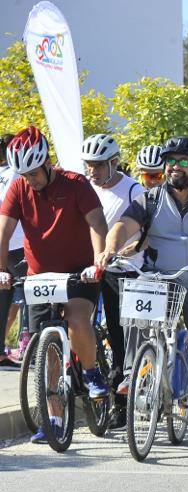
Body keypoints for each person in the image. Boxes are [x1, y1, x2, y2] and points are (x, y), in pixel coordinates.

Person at [101, 135, 188, 450]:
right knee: (136, 304)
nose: (175, 167)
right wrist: (110, 249)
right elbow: (124, 225)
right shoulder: (150, 199)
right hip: (160, 278)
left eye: (184, 161)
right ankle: (134, 373)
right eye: (170, 161)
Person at [0, 126, 110, 442]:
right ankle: (54, 420)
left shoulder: (75, 184)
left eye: (34, 173)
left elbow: (98, 223)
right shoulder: (19, 188)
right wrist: (1, 270)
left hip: (80, 273)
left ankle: (91, 374)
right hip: (40, 276)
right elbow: (4, 232)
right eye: (24, 174)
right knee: (43, 348)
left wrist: (98, 259)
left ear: (47, 162)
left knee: (76, 319)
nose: (30, 180)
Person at [82, 133, 143, 429]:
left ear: (114, 162)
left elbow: (146, 230)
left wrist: (129, 249)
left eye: (98, 165)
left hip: (124, 270)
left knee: (120, 338)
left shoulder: (133, 190)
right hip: (92, 267)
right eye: (88, 164)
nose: (92, 170)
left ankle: (120, 404)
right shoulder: (85, 188)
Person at [0, 133, 26, 368]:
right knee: (29, 294)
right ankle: (26, 345)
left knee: (3, 297)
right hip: (18, 243)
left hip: (3, 243)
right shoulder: (17, 174)